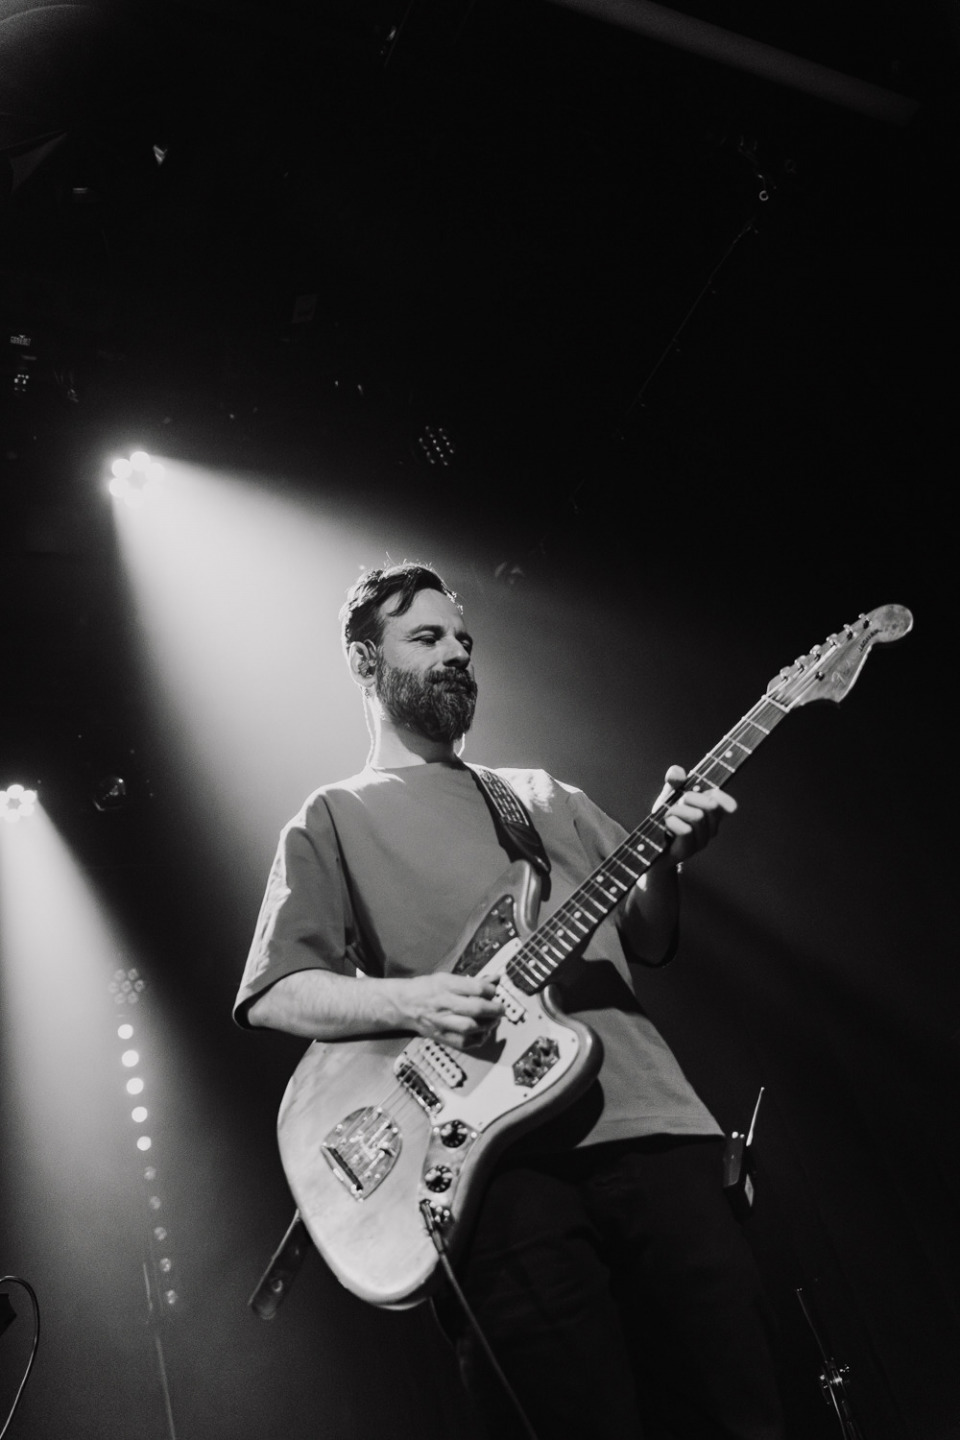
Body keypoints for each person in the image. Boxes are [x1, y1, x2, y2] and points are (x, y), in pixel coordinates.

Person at [234, 562, 786, 1440]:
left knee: (739, 1408)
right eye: (427, 638)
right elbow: (278, 993)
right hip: (494, 1170)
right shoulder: (333, 815)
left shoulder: (541, 794)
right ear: (364, 662)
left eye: (464, 640)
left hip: (655, 1128)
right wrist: (415, 1001)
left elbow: (648, 936)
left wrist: (668, 861)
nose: (457, 653)